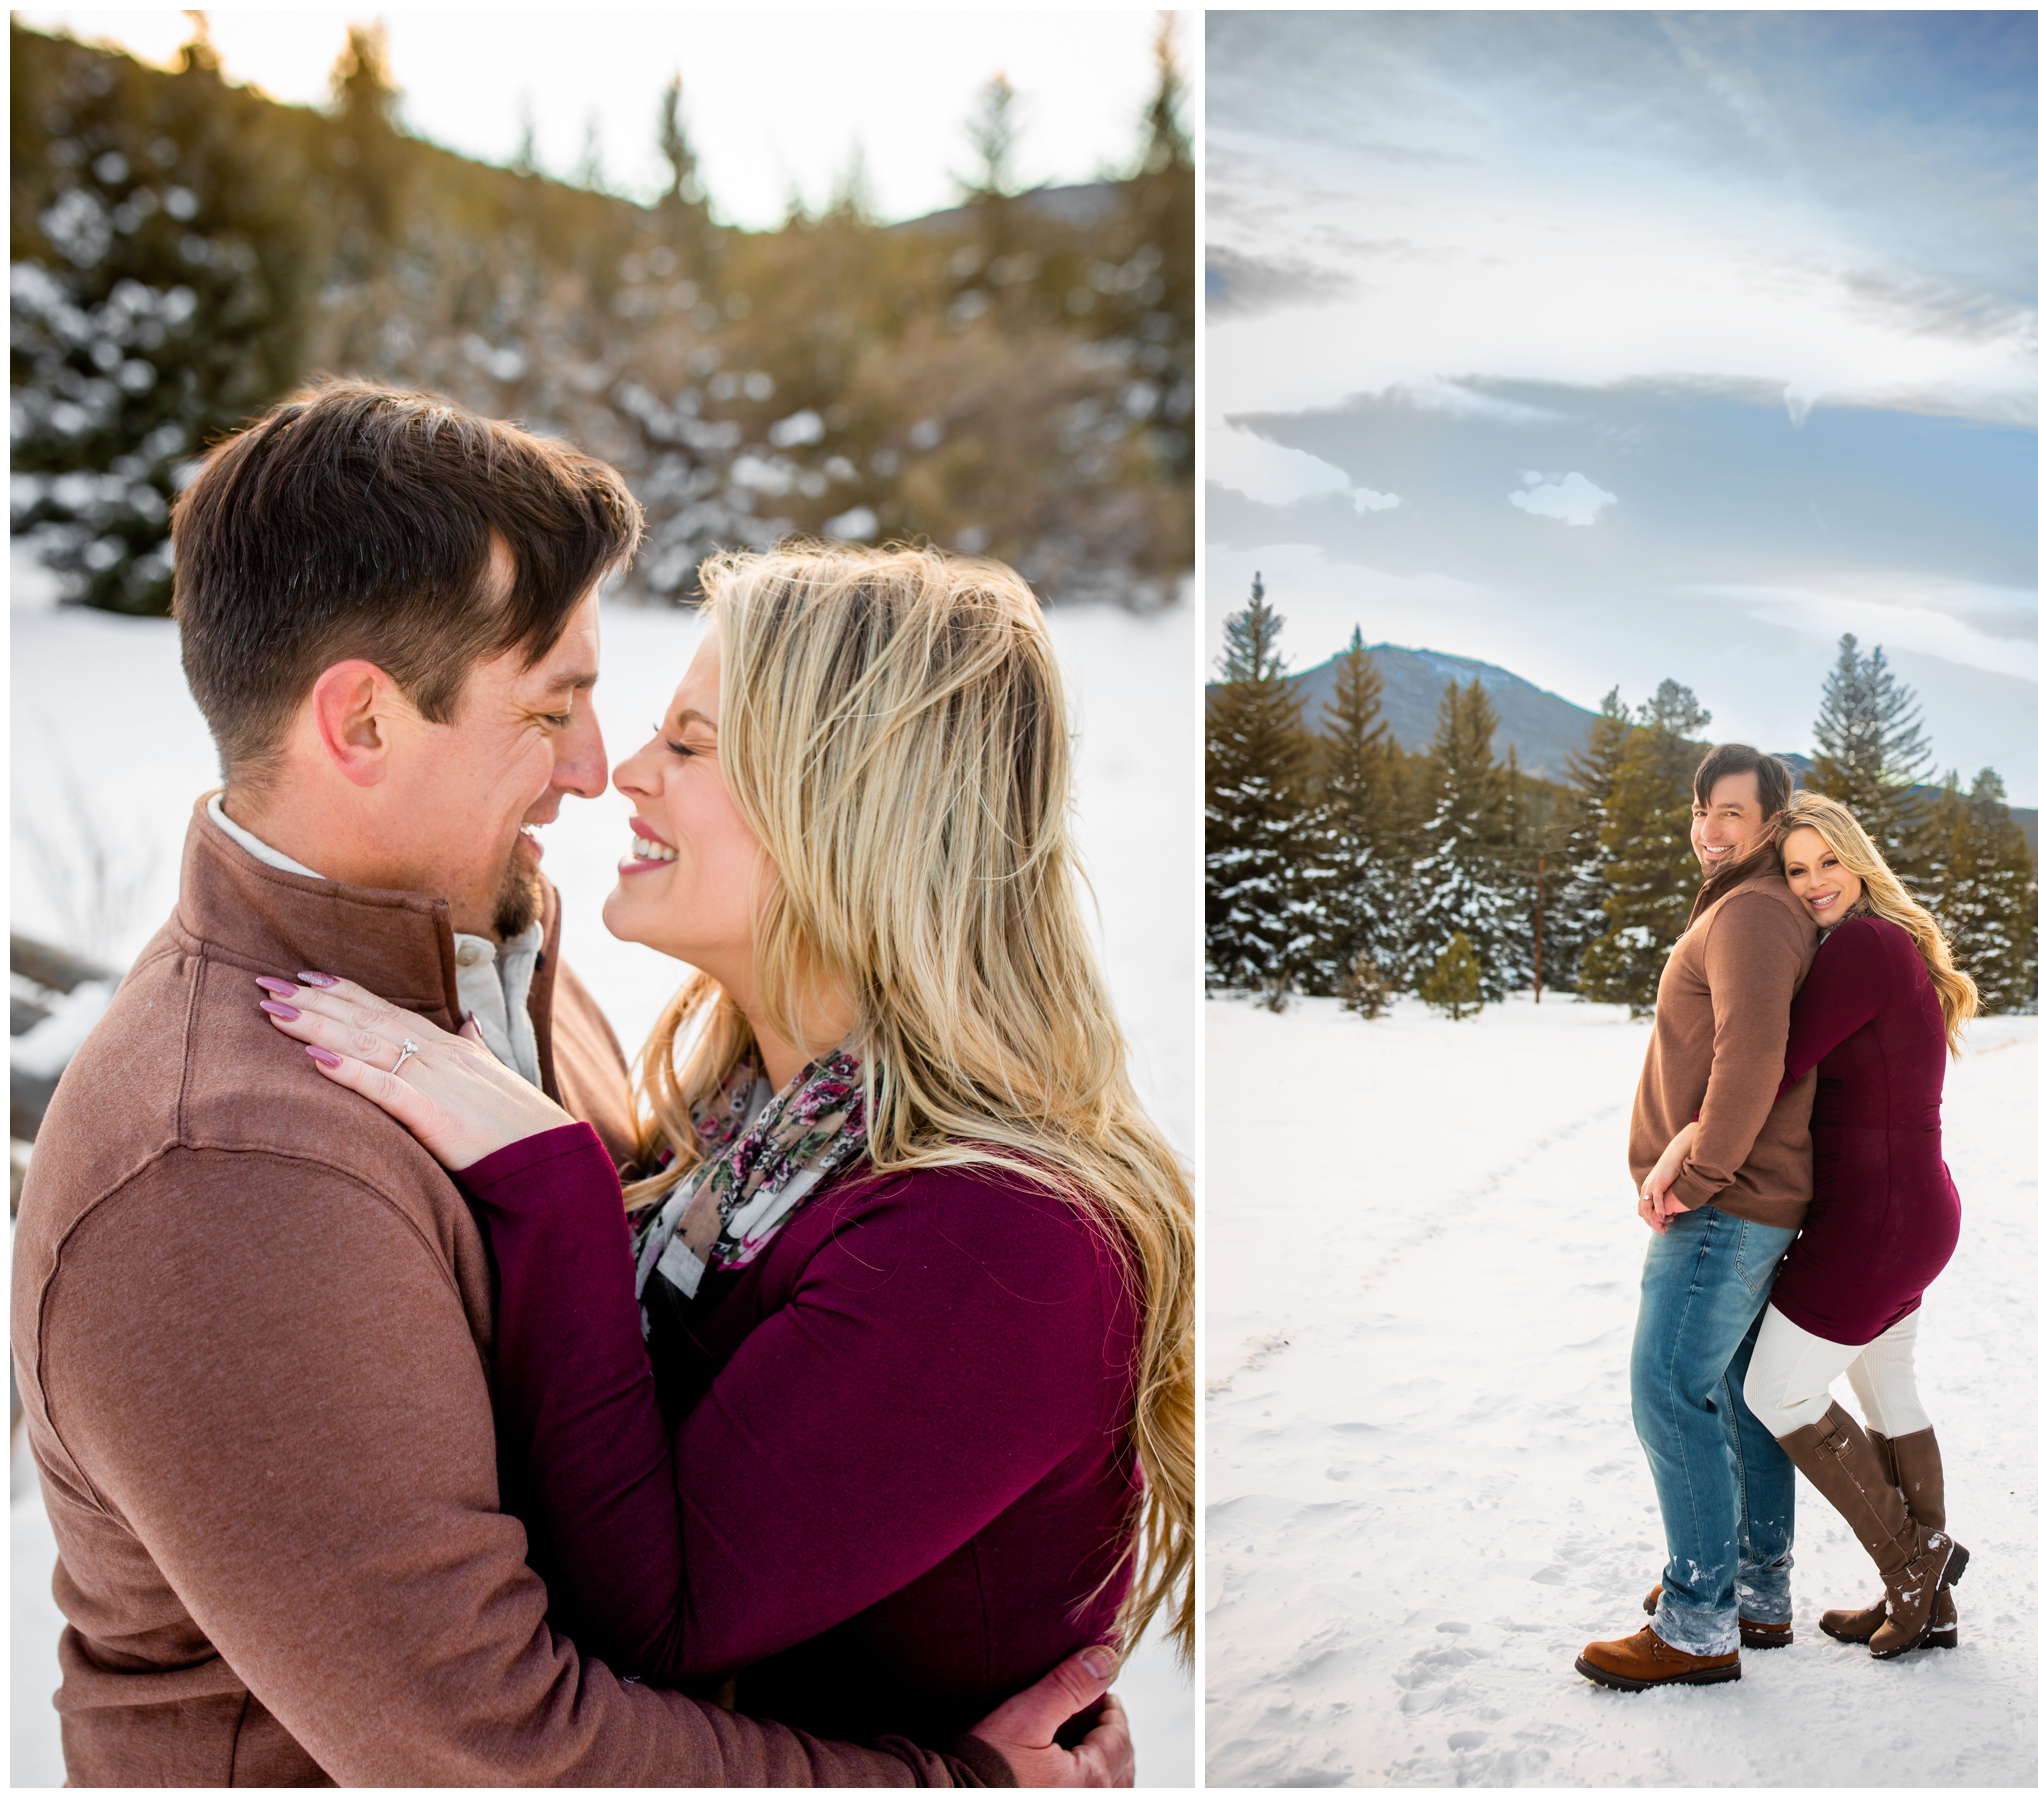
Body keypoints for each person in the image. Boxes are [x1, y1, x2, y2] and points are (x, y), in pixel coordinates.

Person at [10, 381, 1128, 1786]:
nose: (603, 773)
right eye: (557, 708)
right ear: (360, 723)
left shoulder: (517, 975)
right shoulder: (226, 1169)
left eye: (675, 734)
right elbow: (501, 1751)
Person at [253, 540, 1197, 1749]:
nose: (622, 774)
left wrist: (554, 1189)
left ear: (853, 805)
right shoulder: (756, 1130)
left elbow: (659, 1616)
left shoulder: (1000, 1238)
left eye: (689, 746)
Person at [1647, 791, 1974, 1659]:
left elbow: (1775, 1059)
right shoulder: (1883, 945)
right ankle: (1927, 1603)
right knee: (1886, 1392)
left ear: (1859, 859)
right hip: (1914, 1210)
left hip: (1876, 1217)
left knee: (1774, 1392)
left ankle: (1916, 1568)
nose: (1814, 882)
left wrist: (1692, 1134)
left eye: (1829, 861)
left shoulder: (1864, 944)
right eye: (1796, 868)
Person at [1574, 744, 1820, 1693]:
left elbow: (1749, 1056)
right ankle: (1756, 1591)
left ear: (1769, 822)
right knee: (1734, 1395)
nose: (1708, 829)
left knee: (1668, 1392)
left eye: (1730, 812)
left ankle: (1699, 1617)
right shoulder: (1754, 905)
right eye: (1699, 810)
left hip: (1726, 1202)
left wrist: (1701, 1170)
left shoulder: (1755, 910)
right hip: (1751, 1198)